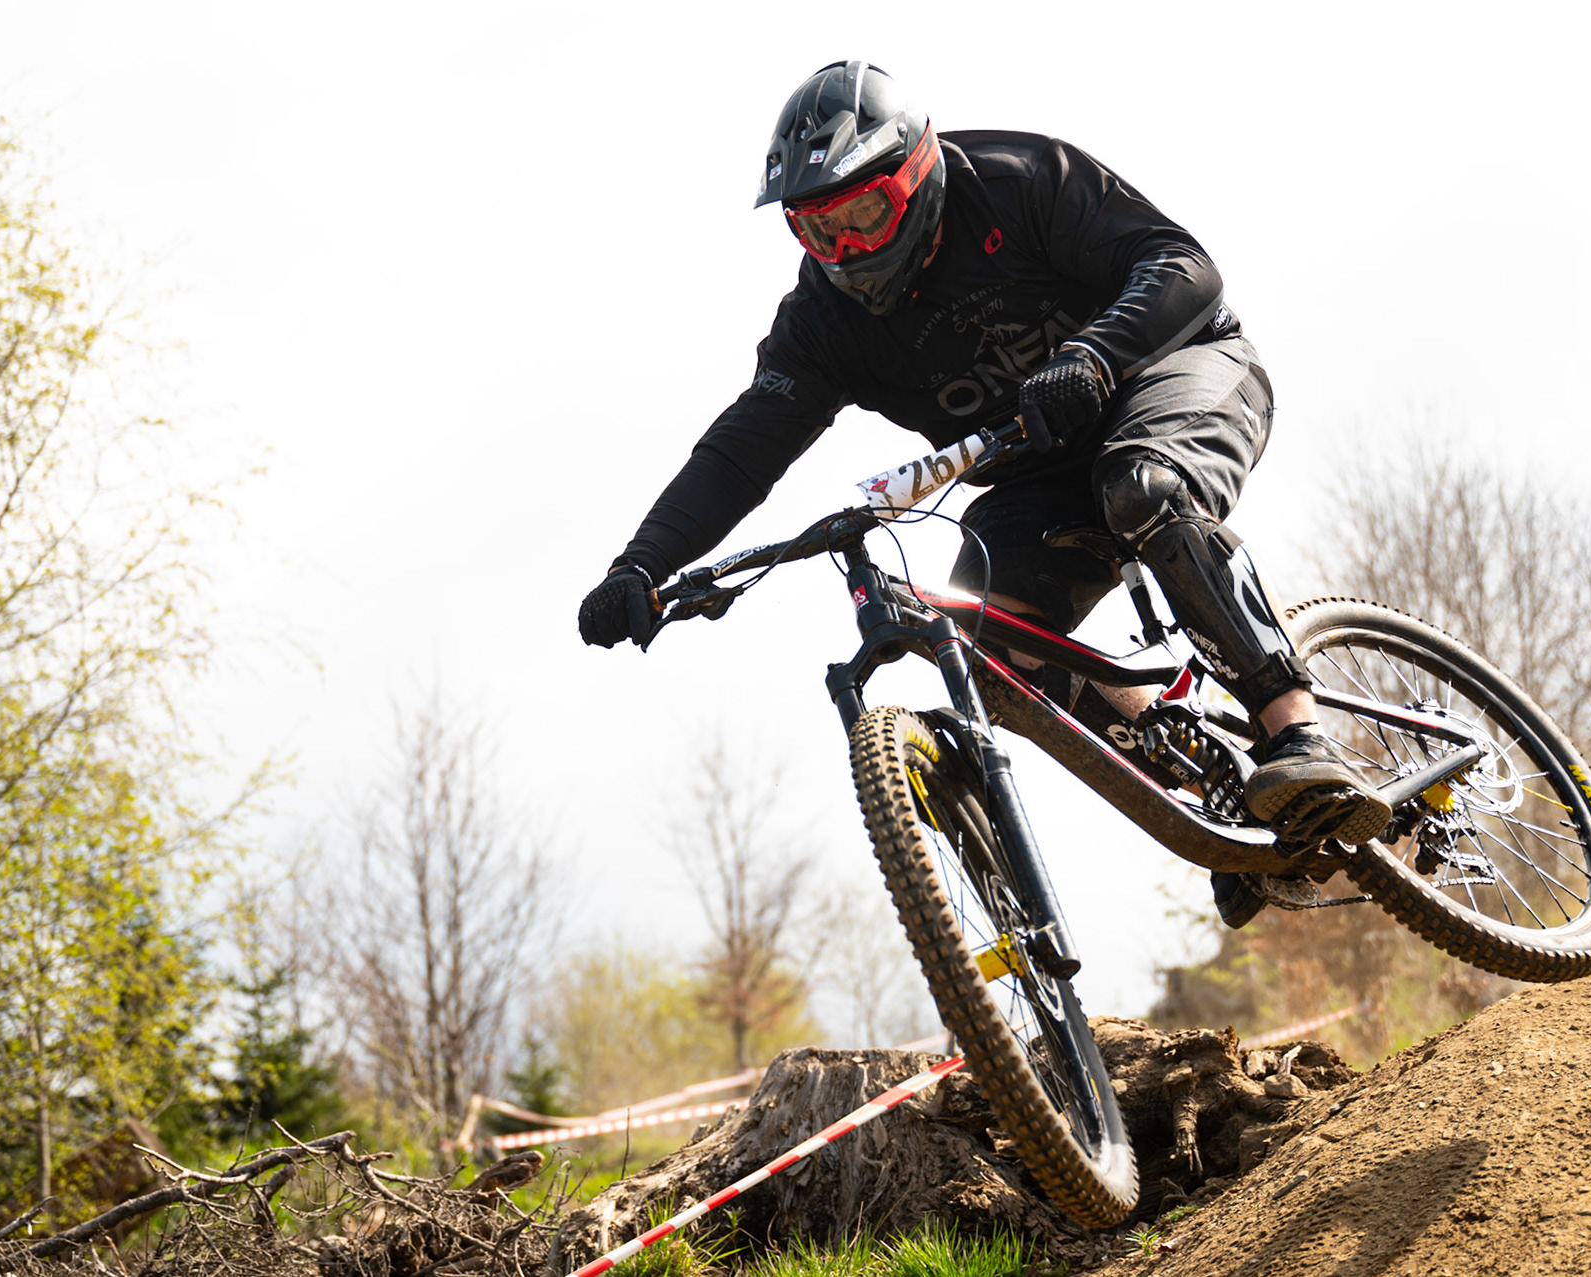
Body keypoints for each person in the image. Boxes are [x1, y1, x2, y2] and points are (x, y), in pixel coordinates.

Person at [577, 61, 1389, 927]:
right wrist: (643, 564)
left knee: (1141, 487)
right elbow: (741, 451)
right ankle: (1214, 789)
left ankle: (1298, 732)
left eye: (864, 215)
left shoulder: (1018, 179)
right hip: (1041, 465)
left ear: (916, 174)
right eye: (819, 231)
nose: (848, 250)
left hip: (1180, 370)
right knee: (988, 641)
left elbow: (1184, 266)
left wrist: (1095, 354)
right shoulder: (820, 323)